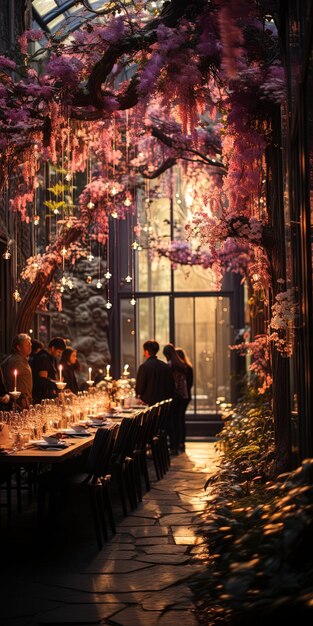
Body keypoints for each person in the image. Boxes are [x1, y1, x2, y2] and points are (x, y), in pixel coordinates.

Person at [163, 343, 189, 454]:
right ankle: (180, 443)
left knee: (172, 421)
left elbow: (169, 383)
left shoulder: (169, 365)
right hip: (183, 395)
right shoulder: (182, 364)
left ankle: (173, 446)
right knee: (179, 420)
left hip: (174, 396)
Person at [135, 340, 174, 406]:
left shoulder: (144, 367)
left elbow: (139, 388)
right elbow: (171, 387)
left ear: (146, 351)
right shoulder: (165, 366)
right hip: (163, 405)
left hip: (148, 405)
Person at [1, 333, 33, 409]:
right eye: (27, 345)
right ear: (18, 347)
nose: (30, 346)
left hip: (21, 401)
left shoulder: (20, 359)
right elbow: (8, 383)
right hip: (18, 404)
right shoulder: (17, 361)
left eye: (30, 344)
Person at [32, 336, 66, 403]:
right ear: (53, 348)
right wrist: (57, 383)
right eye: (59, 352)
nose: (59, 355)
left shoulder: (51, 358)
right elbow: (42, 379)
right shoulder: (44, 358)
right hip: (42, 397)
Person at [176, 347, 193, 451]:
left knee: (178, 419)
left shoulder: (180, 368)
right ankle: (182, 442)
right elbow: (190, 383)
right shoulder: (189, 367)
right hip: (187, 397)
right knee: (181, 419)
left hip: (181, 397)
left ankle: (179, 441)